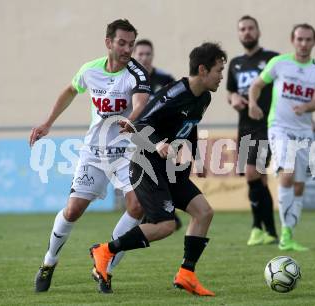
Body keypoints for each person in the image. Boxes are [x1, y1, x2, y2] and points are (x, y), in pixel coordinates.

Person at [89, 42, 227, 296]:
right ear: (203, 69)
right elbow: (138, 126)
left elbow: (190, 126)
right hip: (145, 165)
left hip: (168, 168)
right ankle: (105, 250)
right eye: (219, 70)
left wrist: (193, 157)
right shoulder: (173, 94)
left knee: (204, 212)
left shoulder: (204, 97)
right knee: (164, 225)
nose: (221, 76)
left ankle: (187, 274)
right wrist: (158, 143)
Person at [30, 19, 151, 293]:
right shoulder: (90, 70)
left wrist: (131, 119)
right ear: (108, 42)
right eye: (122, 43)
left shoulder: (136, 74)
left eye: (131, 44)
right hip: (94, 153)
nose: (127, 49)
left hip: (125, 154)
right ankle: (49, 262)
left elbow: (141, 101)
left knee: (137, 207)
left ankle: (104, 265)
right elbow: (71, 90)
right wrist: (47, 123)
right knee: (73, 211)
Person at [248, 23, 315, 251]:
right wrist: (253, 104)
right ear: (292, 40)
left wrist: (306, 108)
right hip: (279, 127)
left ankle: (290, 233)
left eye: (308, 40)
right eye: (299, 39)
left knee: (299, 186)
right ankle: (284, 234)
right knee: (288, 173)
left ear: (314, 41)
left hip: (304, 131)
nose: (303, 44)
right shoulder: (279, 63)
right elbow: (256, 85)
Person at [226, 15, 278, 246]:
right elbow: (230, 92)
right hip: (244, 126)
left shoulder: (271, 59)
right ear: (238, 34)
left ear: (258, 31)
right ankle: (268, 231)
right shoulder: (235, 63)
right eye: (242, 29)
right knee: (259, 181)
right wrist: (233, 98)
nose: (246, 32)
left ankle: (258, 227)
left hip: (266, 125)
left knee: (251, 173)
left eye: (250, 28)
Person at [133, 39, 183, 230]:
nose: (144, 58)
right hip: (137, 135)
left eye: (148, 54)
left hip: (160, 136)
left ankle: (164, 213)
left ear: (153, 55)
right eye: (140, 54)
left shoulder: (164, 79)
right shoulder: (130, 79)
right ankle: (156, 214)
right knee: (142, 177)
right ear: (134, 56)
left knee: (162, 175)